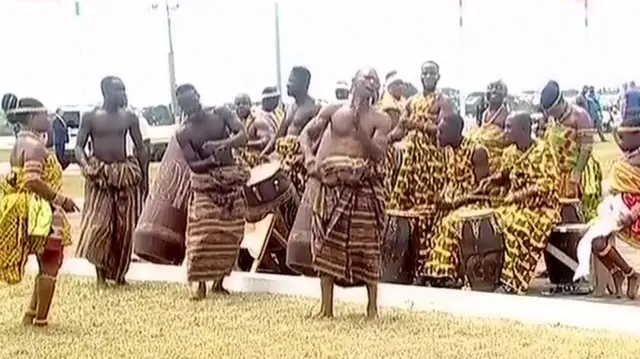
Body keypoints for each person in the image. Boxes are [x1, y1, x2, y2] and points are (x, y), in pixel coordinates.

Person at [299, 67, 391, 318]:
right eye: (367, 78)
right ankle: (326, 309)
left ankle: (372, 309)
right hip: (331, 186)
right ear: (354, 82)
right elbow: (305, 134)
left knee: (368, 246)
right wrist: (310, 160)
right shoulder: (332, 110)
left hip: (363, 188)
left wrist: (359, 129)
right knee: (326, 243)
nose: (372, 83)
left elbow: (378, 153)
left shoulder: (381, 119)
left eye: (375, 79)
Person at [0, 93, 79, 326]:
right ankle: (40, 319)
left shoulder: (22, 142)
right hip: (41, 211)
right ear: (32, 117)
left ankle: (32, 313)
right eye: (44, 115)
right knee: (52, 260)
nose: (48, 119)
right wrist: (59, 199)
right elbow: (32, 180)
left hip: (36, 208)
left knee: (48, 261)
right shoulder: (33, 145)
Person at [174, 84, 248, 300]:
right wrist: (212, 160)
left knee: (231, 232)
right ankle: (199, 284)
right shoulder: (183, 131)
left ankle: (218, 282)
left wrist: (221, 145)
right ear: (181, 106)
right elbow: (194, 165)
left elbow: (242, 135)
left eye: (193, 100)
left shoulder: (221, 112)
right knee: (202, 232)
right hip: (206, 183)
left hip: (231, 179)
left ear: (198, 96)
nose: (192, 107)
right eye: (186, 104)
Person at [475, 111, 561, 294]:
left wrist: (518, 195)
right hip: (514, 206)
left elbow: (547, 184)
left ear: (523, 129)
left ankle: (513, 282)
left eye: (509, 127)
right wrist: (491, 180)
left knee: (514, 226)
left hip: (540, 209)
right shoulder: (511, 152)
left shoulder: (542, 151)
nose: (504, 132)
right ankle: (493, 276)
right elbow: (505, 174)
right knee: (491, 223)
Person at [75, 76, 148, 287]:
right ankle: (100, 274)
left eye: (124, 90)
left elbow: (140, 147)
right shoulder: (90, 117)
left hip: (124, 175)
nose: (123, 94)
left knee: (123, 229)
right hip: (100, 176)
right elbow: (79, 147)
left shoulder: (130, 117)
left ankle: (119, 274)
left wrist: (143, 177)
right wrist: (86, 165)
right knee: (101, 226)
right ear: (106, 92)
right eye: (119, 90)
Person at [387, 60, 456, 257]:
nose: (428, 77)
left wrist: (417, 125)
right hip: (412, 160)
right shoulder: (412, 101)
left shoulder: (443, 101)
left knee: (429, 205)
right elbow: (400, 129)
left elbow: (444, 130)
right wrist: (386, 140)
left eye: (432, 73)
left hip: (432, 160)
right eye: (425, 73)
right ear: (420, 76)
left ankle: (431, 251)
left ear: (438, 76)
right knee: (409, 202)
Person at [421, 114, 491, 286]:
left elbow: (483, 191)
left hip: (472, 203)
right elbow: (449, 181)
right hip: (451, 202)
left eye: (442, 132)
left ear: (455, 132)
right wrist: (439, 198)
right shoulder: (448, 151)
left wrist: (455, 203)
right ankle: (426, 271)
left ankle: (446, 275)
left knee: (449, 223)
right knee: (424, 219)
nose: (438, 135)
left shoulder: (477, 152)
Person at [540, 80, 602, 222]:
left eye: (552, 112)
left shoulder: (580, 116)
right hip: (558, 175)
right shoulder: (552, 119)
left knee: (578, 215)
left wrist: (577, 174)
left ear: (560, 102)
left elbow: (586, 148)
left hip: (578, 172)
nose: (551, 116)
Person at [265, 66, 320, 195]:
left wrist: (303, 157)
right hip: (282, 156)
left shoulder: (314, 108)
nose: (287, 85)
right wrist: (264, 154)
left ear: (302, 84)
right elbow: (278, 135)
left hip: (299, 160)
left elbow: (318, 139)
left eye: (291, 81)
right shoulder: (290, 107)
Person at [467, 80, 510, 173]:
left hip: (496, 154)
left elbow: (508, 136)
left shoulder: (506, 114)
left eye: (498, 88)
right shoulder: (484, 113)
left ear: (504, 94)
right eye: (491, 87)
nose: (494, 90)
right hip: (480, 150)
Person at [235, 93, 272, 168]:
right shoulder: (240, 122)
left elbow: (266, 141)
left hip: (259, 162)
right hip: (245, 161)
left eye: (244, 103)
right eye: (238, 104)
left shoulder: (257, 121)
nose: (241, 106)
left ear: (250, 105)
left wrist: (245, 144)